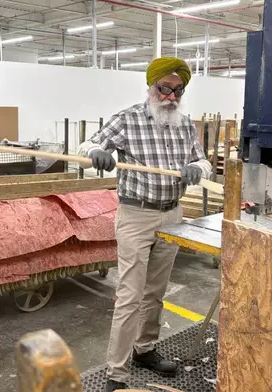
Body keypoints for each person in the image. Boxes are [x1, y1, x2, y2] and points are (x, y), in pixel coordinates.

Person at [77, 57, 212, 391]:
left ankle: (145, 349)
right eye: (164, 89)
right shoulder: (128, 119)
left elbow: (202, 160)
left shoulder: (184, 124)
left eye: (177, 90)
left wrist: (199, 169)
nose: (170, 96)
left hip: (173, 214)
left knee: (155, 292)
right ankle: (116, 373)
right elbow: (85, 145)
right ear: (152, 87)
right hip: (137, 215)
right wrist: (97, 152)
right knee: (130, 295)